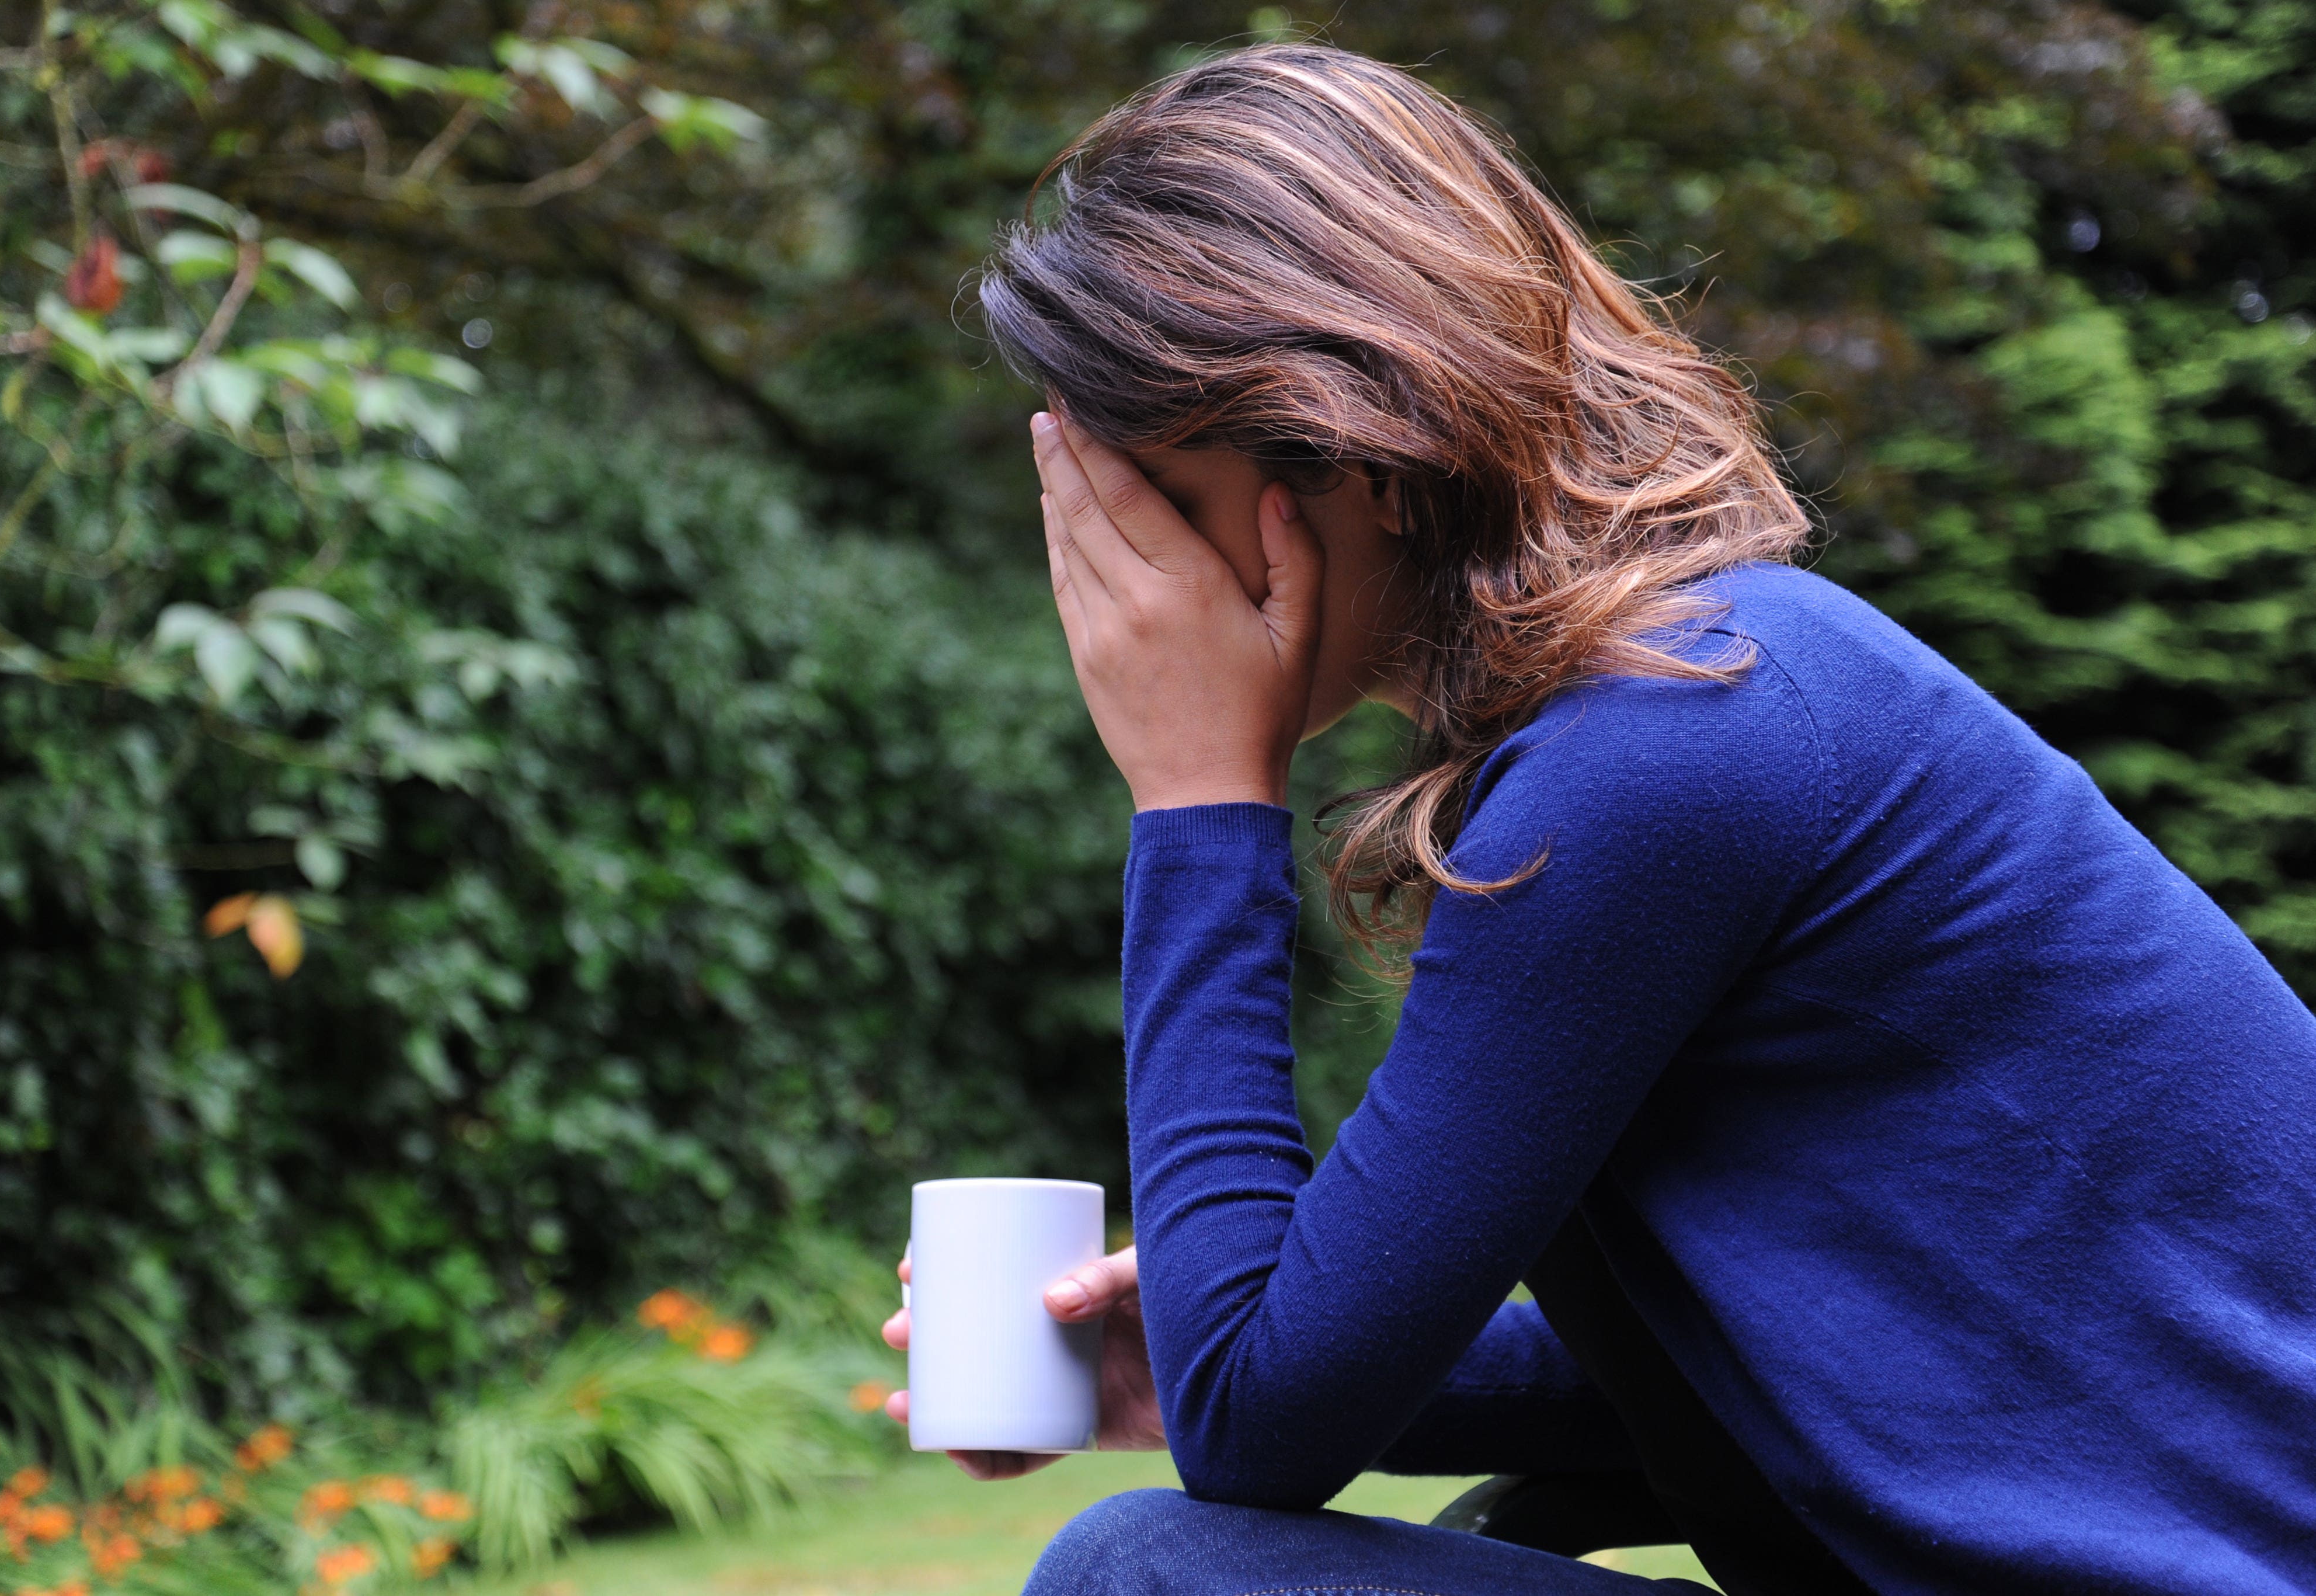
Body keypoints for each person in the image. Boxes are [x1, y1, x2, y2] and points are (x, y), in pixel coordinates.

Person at [878, 43, 2316, 1596]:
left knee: (1151, 1574)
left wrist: (1196, 799)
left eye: (1143, 494)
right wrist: (1213, 1358)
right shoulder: (1703, 692)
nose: (1112, 572)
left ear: (1345, 445)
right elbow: (1808, 1376)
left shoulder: (1667, 740)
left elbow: (1256, 1439)